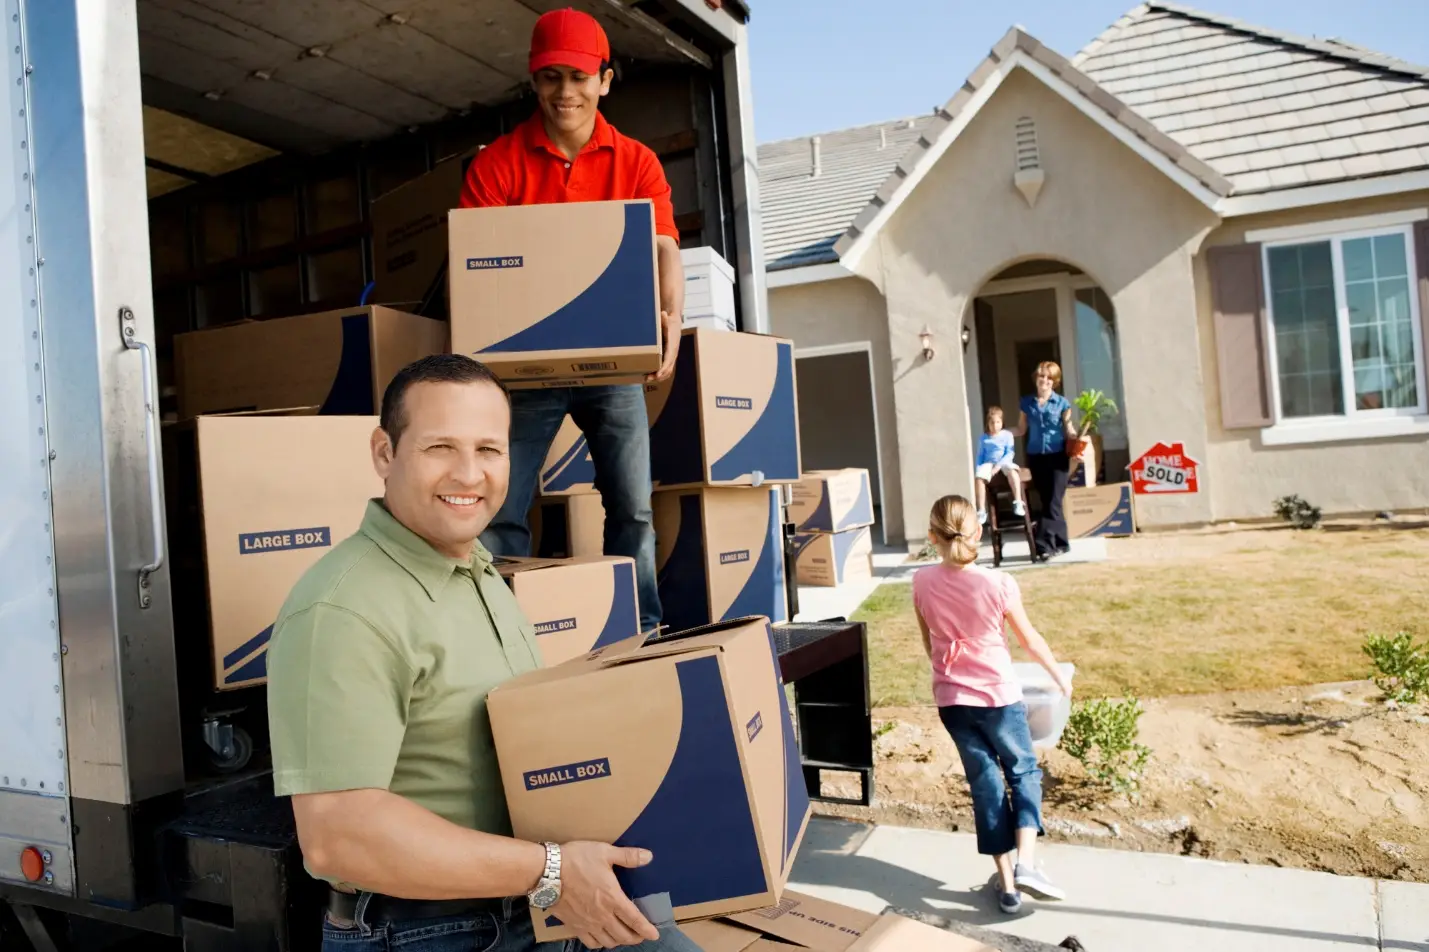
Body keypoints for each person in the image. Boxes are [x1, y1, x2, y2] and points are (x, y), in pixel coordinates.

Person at [266, 354, 700, 952]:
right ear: (384, 454)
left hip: (529, 896)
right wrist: (551, 872)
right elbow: (339, 838)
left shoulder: (476, 568)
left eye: (489, 450)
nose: (469, 475)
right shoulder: (342, 611)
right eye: (440, 447)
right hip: (425, 929)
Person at [458, 8, 683, 636]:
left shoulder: (636, 162)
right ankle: (498, 634)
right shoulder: (497, 165)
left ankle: (643, 629)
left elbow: (664, 247)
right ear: (533, 83)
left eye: (579, 77)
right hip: (526, 371)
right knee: (501, 508)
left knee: (633, 509)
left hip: (612, 367)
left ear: (605, 80)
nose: (565, 92)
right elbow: (477, 269)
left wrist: (671, 317)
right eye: (550, 77)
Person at [913, 494, 1074, 916]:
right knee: (1022, 771)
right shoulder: (998, 583)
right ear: (979, 532)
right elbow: (1029, 640)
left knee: (985, 786)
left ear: (932, 537)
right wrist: (1059, 676)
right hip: (998, 698)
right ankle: (1027, 864)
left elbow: (929, 643)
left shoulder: (921, 581)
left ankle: (1007, 889)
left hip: (951, 701)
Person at [1009, 362, 1080, 561]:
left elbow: (1068, 429)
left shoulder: (1062, 403)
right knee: (1048, 501)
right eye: (1042, 376)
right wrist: (1000, 433)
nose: (1045, 381)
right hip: (1036, 457)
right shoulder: (1026, 403)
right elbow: (1021, 429)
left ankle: (1043, 545)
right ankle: (1062, 542)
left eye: (1049, 378)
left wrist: (1077, 438)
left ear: (1054, 382)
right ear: (1036, 378)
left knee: (1054, 501)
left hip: (1057, 457)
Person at [974, 406, 1024, 525]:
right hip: (989, 463)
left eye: (998, 422)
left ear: (1002, 422)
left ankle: (1018, 501)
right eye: (992, 422)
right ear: (988, 423)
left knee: (1013, 472)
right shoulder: (983, 438)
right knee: (979, 478)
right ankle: (981, 510)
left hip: (1004, 461)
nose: (995, 425)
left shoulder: (1007, 435)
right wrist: (979, 468)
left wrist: (998, 466)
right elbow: (980, 455)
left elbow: (1009, 453)